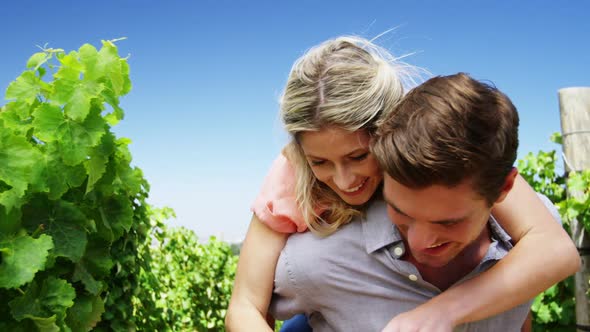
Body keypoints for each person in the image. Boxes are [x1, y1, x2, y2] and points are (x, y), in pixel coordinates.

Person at [225, 37, 580, 331]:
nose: (345, 181)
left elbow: (552, 249)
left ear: (388, 131)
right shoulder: (290, 176)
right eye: (320, 162)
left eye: (358, 157)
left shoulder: (429, 145)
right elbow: (244, 305)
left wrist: (444, 310)